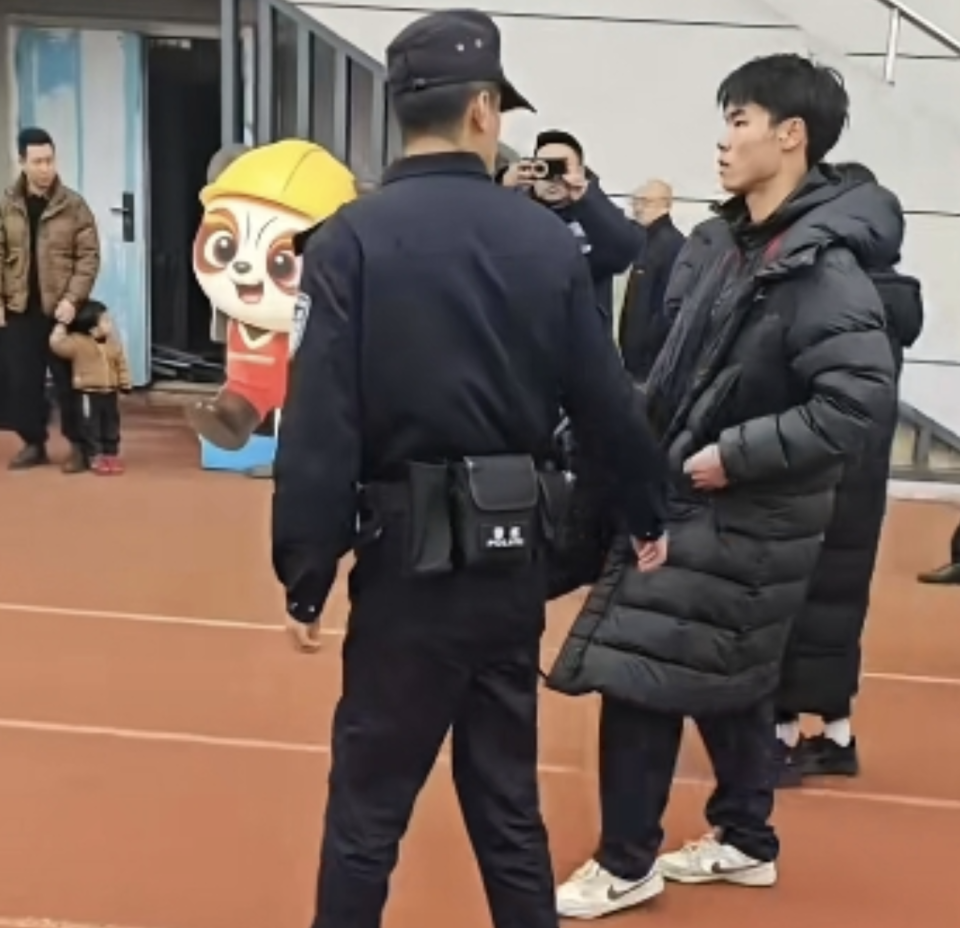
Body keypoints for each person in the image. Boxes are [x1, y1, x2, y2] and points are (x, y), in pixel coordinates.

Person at [271, 10, 669, 928]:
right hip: (508, 557)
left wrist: (305, 570)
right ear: (484, 110)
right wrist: (645, 511)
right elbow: (607, 403)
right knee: (506, 807)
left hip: (405, 563)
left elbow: (320, 423)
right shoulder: (544, 242)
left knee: (368, 812)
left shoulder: (349, 241)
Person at [546, 53, 897, 919]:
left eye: (741, 121)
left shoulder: (822, 270)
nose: (724, 140)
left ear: (792, 136)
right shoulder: (735, 246)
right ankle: (745, 838)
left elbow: (856, 402)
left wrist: (734, 456)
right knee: (725, 667)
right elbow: (676, 372)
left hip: (744, 508)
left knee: (643, 665)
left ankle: (627, 860)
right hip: (706, 500)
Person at [774, 161, 924, 786]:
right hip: (866, 469)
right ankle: (836, 733)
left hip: (818, 461)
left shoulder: (831, 290)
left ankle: (781, 734)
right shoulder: (894, 297)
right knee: (840, 602)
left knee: (793, 600)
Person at [0, 127, 101, 472]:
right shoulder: (7, 205)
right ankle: (33, 442)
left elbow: (88, 257)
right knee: (21, 383)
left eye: (50, 160)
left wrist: (73, 299)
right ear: (22, 162)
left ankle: (79, 446)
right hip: (19, 309)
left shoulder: (73, 206)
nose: (45, 168)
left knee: (68, 383)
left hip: (60, 311)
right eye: (38, 162)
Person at [498, 130, 642, 316]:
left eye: (561, 168)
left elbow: (624, 253)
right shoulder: (516, 212)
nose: (553, 178)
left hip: (580, 326)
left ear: (581, 172)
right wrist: (500, 189)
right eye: (543, 168)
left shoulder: (596, 214)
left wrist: (588, 200)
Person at [49, 300, 132, 475]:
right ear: (92, 328)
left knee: (111, 424)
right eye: (106, 321)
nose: (110, 324)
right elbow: (58, 345)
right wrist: (61, 326)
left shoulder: (112, 345)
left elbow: (121, 364)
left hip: (109, 393)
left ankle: (111, 454)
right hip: (88, 394)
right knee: (90, 425)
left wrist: (124, 383)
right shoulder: (78, 343)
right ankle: (95, 456)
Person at [618, 179, 686, 380]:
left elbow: (670, 306)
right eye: (635, 201)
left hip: (651, 360)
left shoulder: (671, 245)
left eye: (645, 202)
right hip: (638, 357)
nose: (637, 208)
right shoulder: (647, 241)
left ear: (666, 204)